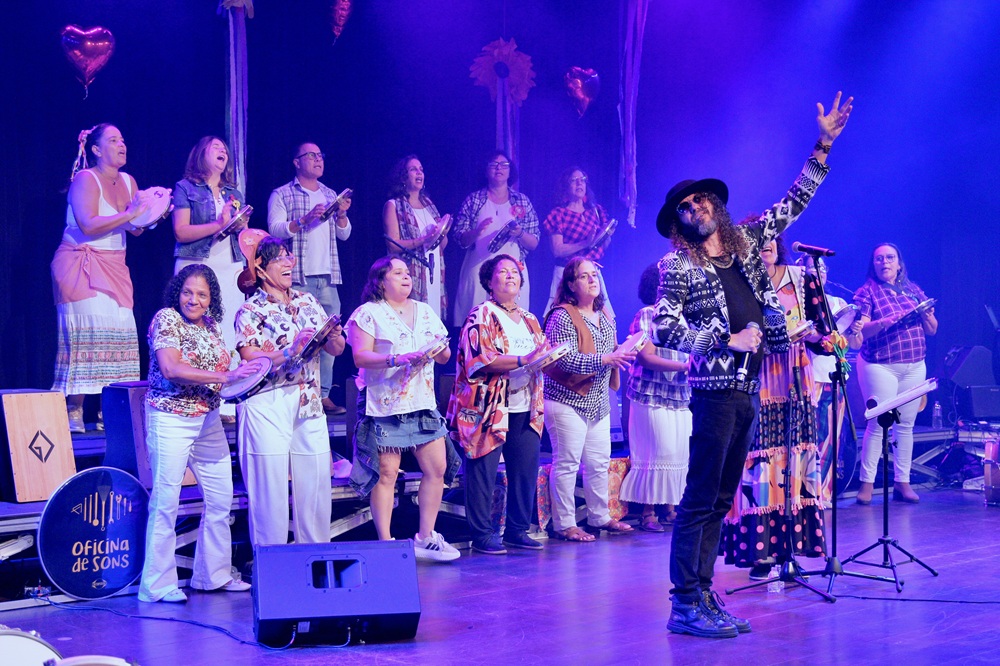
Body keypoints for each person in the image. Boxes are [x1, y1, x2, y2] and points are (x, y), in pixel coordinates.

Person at [651, 92, 852, 638]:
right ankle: (683, 603)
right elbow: (664, 328)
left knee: (720, 499)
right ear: (678, 223)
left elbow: (796, 200)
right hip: (715, 389)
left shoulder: (748, 244)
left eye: (699, 202)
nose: (694, 211)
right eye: (683, 209)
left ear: (715, 205)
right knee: (699, 497)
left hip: (748, 392)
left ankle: (704, 593)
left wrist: (823, 144)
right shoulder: (677, 267)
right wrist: (726, 337)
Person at [139, 264, 257, 603]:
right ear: (178, 292)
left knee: (221, 498)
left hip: (207, 419)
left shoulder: (212, 327)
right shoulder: (167, 319)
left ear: (211, 299)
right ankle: (157, 585)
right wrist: (227, 378)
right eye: (188, 292)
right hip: (171, 416)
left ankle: (213, 575)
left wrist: (240, 379)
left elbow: (225, 374)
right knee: (166, 501)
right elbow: (171, 368)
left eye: (202, 294)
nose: (194, 299)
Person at [721, 236, 828, 579]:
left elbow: (825, 334)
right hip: (759, 375)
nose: (763, 245)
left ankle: (792, 548)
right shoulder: (738, 281)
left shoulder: (801, 278)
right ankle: (761, 550)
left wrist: (812, 337)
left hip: (796, 377)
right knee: (761, 459)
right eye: (755, 242)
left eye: (768, 240)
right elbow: (728, 332)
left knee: (795, 457)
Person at [234, 230, 346, 547]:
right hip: (267, 400)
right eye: (280, 258)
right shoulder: (251, 310)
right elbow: (249, 356)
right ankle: (272, 568)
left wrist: (335, 336)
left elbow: (336, 349)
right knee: (269, 491)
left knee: (315, 487)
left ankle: (315, 560)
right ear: (261, 268)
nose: (288, 262)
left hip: (308, 397)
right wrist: (288, 351)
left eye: (289, 256)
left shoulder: (307, 300)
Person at [346, 256, 461, 562]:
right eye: (398, 273)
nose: (406, 278)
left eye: (408, 274)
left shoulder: (424, 311)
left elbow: (445, 355)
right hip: (385, 403)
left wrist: (439, 350)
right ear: (380, 281)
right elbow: (361, 357)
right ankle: (385, 541)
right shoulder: (368, 314)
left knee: (436, 468)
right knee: (387, 473)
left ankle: (426, 536)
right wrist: (398, 359)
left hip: (421, 401)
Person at [51, 123, 150, 433]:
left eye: (122, 138)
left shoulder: (129, 180)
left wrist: (152, 213)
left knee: (119, 334)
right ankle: (74, 409)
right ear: (96, 149)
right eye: (113, 139)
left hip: (115, 266)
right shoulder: (86, 178)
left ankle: (111, 412)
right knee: (86, 335)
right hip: (82, 263)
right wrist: (132, 214)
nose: (121, 144)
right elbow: (89, 224)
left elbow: (135, 228)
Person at [448, 254, 548, 554]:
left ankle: (517, 529)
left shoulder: (530, 319)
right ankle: (481, 535)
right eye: (502, 272)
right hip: (488, 407)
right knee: (482, 472)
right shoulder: (481, 315)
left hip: (525, 404)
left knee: (525, 469)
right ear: (489, 282)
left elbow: (539, 353)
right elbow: (480, 358)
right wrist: (523, 360)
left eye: (514, 272)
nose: (510, 276)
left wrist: (547, 358)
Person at [543, 256, 636, 542]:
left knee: (599, 462)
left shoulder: (604, 314)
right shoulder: (561, 315)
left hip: (597, 401)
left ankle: (600, 517)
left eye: (594, 274)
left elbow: (609, 351)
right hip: (566, 399)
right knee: (567, 462)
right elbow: (565, 358)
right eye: (584, 276)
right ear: (571, 284)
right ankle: (564, 524)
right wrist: (607, 358)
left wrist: (625, 351)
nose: (592, 279)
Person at [268, 141, 353, 415]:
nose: (318, 160)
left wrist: (341, 215)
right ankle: (294, 390)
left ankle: (324, 394)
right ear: (297, 161)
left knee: (331, 338)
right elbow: (275, 229)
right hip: (297, 278)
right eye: (311, 155)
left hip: (328, 277)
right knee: (297, 337)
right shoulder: (283, 193)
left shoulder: (330, 193)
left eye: (320, 155)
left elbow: (345, 234)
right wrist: (303, 220)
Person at [850, 243, 937, 504]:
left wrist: (927, 316)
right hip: (880, 365)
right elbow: (858, 332)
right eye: (879, 259)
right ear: (873, 264)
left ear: (899, 263)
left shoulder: (913, 289)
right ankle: (866, 485)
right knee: (878, 425)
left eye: (890, 258)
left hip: (914, 365)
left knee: (906, 426)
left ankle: (903, 482)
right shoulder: (867, 292)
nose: (885, 262)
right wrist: (882, 323)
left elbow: (932, 330)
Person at [172, 137, 249, 417]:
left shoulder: (233, 192)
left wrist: (239, 226)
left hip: (229, 265)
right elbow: (181, 232)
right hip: (196, 263)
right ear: (200, 153)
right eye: (216, 147)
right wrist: (218, 224)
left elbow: (240, 235)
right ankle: (190, 393)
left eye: (225, 150)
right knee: (191, 330)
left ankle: (226, 397)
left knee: (228, 328)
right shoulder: (185, 188)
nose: (223, 152)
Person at [618, 264, 691, 533]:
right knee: (655, 452)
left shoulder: (684, 319)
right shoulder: (647, 314)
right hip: (651, 395)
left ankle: (669, 508)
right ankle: (647, 512)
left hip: (680, 396)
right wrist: (686, 367)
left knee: (676, 453)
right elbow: (646, 357)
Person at [452, 150, 540, 326]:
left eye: (504, 165)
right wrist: (476, 232)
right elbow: (459, 237)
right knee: (477, 322)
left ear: (510, 171)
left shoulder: (521, 201)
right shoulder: (474, 199)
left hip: (512, 271)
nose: (499, 168)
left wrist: (520, 233)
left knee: (511, 322)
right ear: (486, 170)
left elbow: (534, 242)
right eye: (493, 164)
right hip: (478, 270)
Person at [802, 254, 862, 507]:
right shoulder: (801, 304)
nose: (819, 271)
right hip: (810, 376)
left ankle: (823, 492)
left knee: (831, 438)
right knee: (811, 436)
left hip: (835, 376)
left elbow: (855, 344)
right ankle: (806, 492)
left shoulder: (838, 303)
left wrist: (854, 332)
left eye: (822, 267)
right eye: (813, 268)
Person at [382, 154, 450, 320]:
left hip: (433, 270)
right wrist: (422, 240)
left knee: (433, 319)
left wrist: (442, 233)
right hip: (411, 272)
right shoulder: (394, 205)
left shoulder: (429, 205)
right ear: (403, 177)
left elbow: (443, 245)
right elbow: (393, 244)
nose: (419, 173)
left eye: (421, 170)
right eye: (413, 169)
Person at [543, 167, 615, 316]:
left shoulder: (596, 211)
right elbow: (557, 249)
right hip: (567, 272)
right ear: (565, 186)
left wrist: (605, 236)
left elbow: (602, 246)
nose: (579, 184)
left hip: (591, 271)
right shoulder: (559, 214)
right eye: (574, 181)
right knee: (564, 314)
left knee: (600, 314)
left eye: (582, 180)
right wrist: (584, 243)